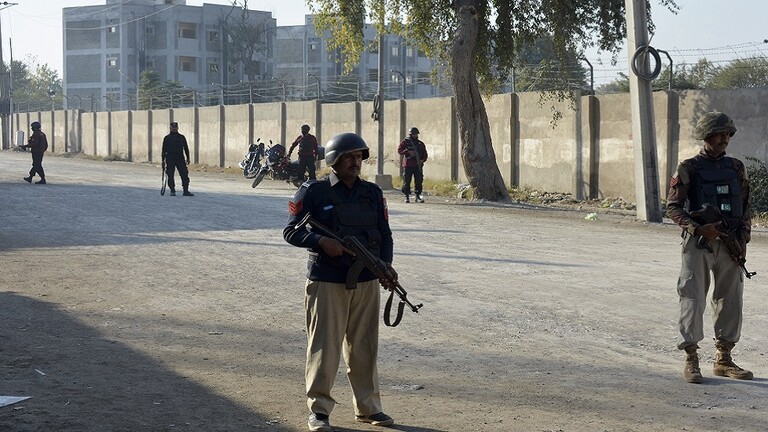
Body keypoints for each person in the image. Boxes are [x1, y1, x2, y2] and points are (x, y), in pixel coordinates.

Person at [284, 133, 396, 432]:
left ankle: (369, 408)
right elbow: (291, 231)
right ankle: (319, 411)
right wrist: (320, 241)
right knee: (325, 348)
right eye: (348, 157)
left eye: (359, 156)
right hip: (327, 281)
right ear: (333, 160)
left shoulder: (372, 193)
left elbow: (384, 235)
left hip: (366, 281)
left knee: (364, 348)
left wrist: (385, 266)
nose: (355, 162)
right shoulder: (313, 192)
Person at [666, 111, 753, 384]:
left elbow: (746, 206)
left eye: (728, 134)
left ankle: (723, 359)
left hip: (730, 244)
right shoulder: (688, 168)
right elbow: (673, 207)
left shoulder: (736, 167)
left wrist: (743, 240)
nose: (725, 138)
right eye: (720, 133)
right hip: (700, 244)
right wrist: (697, 228)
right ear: (707, 136)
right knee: (692, 298)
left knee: (731, 299)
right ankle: (691, 358)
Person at [161, 122, 194, 196]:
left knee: (184, 174)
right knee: (170, 174)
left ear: (177, 128)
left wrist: (188, 157)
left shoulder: (181, 137)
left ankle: (185, 191)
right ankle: (172, 190)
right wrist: (163, 160)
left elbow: (186, 148)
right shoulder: (167, 138)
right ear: (170, 128)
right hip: (170, 158)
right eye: (173, 127)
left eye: (175, 127)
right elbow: (163, 150)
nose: (174, 128)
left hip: (180, 158)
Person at [397, 126, 428, 203]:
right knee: (407, 181)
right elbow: (400, 151)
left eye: (416, 134)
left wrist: (422, 160)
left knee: (419, 180)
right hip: (408, 165)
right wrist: (407, 151)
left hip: (417, 165)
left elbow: (425, 154)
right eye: (413, 134)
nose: (415, 135)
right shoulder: (405, 142)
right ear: (411, 134)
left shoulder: (420, 144)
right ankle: (406, 196)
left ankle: (417, 196)